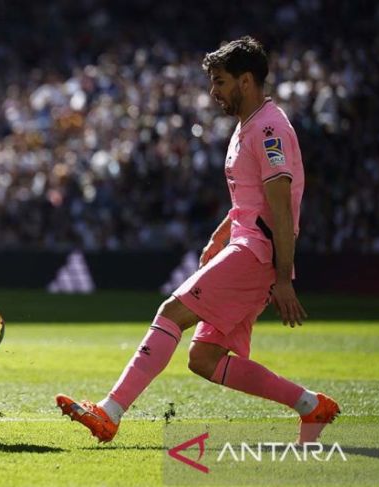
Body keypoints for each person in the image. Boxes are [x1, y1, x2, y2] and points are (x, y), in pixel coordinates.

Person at [56, 36, 340, 445]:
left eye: (220, 82)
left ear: (245, 81)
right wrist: (219, 237)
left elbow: (281, 207)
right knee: (204, 359)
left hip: (257, 253)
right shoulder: (249, 126)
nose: (214, 92)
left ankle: (110, 412)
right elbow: (250, 202)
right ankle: (311, 405)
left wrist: (282, 278)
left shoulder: (269, 128)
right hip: (246, 247)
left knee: (172, 310)